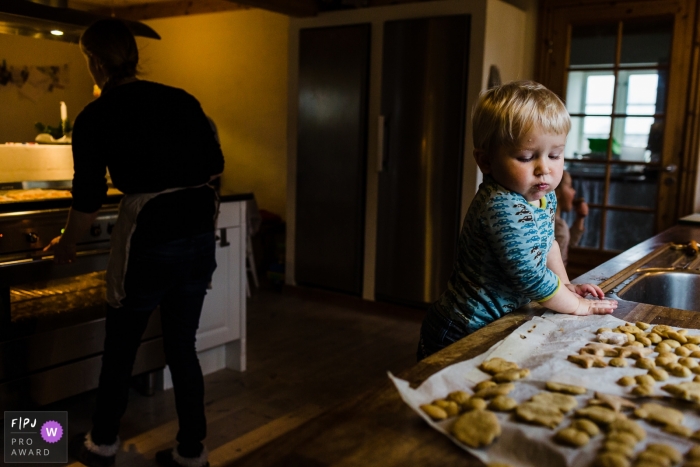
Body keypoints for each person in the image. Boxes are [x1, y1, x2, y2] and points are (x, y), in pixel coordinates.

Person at [44, 19, 224, 467]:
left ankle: (101, 443)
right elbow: (216, 162)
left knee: (121, 347)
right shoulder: (181, 100)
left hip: (150, 238)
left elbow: (88, 198)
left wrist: (67, 242)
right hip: (198, 235)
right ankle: (191, 452)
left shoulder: (97, 115)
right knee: (183, 345)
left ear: (97, 62)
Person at [416, 81, 617, 360]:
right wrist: (577, 306)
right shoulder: (501, 205)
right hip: (462, 328)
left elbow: (549, 244)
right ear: (486, 161)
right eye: (526, 157)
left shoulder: (543, 195)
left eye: (555, 155)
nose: (544, 169)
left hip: (497, 324)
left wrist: (566, 285)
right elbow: (532, 277)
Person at [554, 170, 588, 266]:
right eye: (569, 186)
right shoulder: (556, 226)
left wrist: (580, 218)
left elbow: (569, 242)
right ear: (557, 192)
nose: (574, 191)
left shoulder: (558, 224)